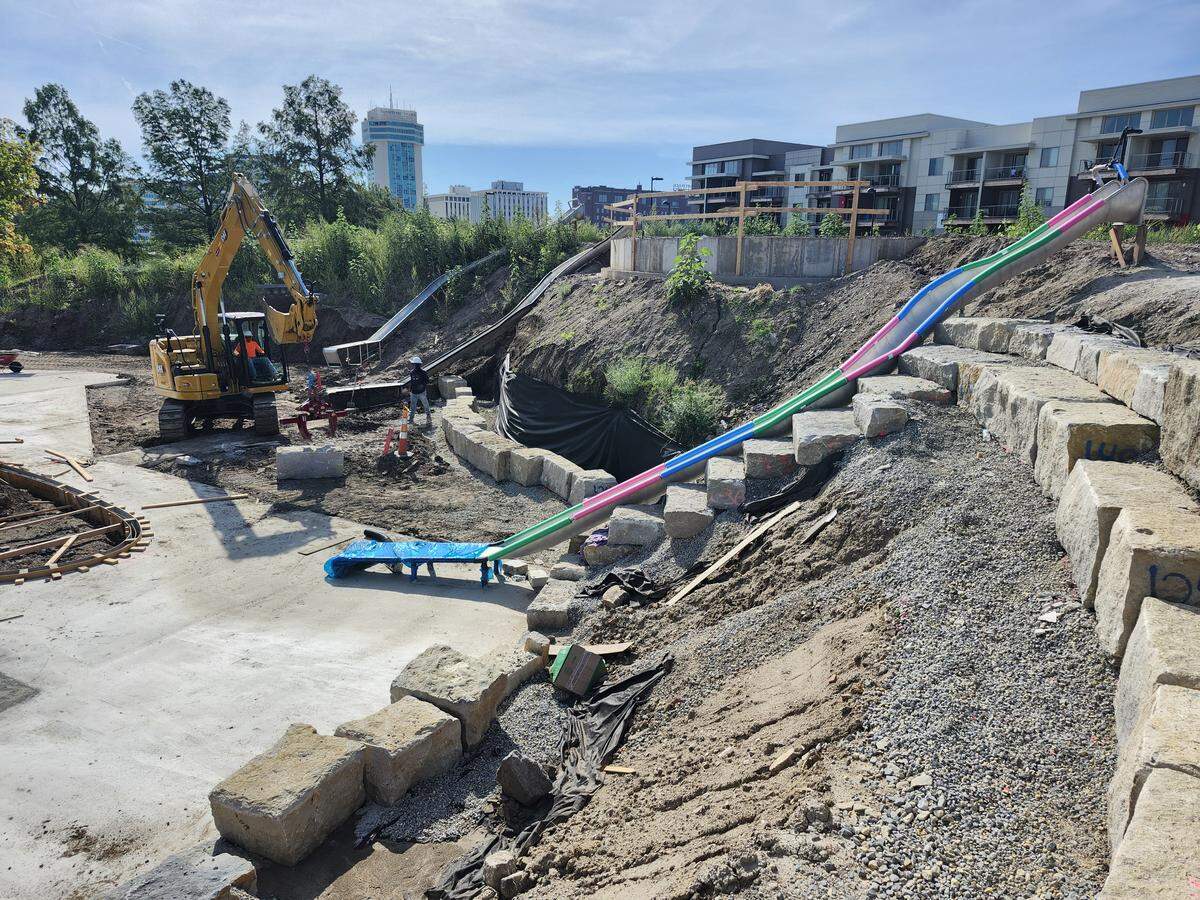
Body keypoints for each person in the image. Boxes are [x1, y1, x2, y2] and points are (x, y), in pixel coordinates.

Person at [407, 355, 433, 429]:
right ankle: (426, 418)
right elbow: (427, 381)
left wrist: (412, 390)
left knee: (414, 407)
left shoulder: (413, 372)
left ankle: (411, 420)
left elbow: (424, 381)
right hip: (418, 392)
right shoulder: (421, 372)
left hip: (417, 392)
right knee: (424, 405)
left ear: (414, 364)